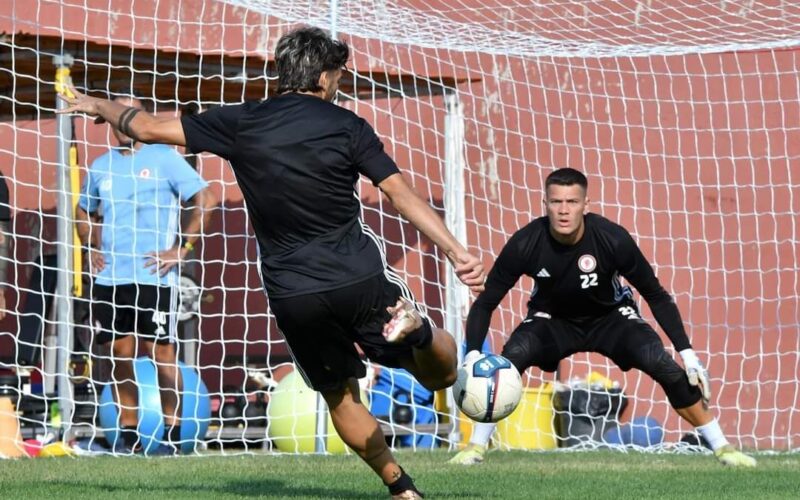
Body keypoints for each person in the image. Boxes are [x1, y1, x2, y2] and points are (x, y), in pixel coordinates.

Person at [59, 27, 484, 498]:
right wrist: (455, 250)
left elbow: (143, 127)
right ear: (323, 76)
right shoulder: (347, 125)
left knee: (339, 393)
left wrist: (101, 105)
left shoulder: (243, 121)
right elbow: (399, 195)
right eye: (338, 72)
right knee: (441, 373)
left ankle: (401, 488)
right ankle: (418, 330)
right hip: (357, 277)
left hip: (294, 293)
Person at [449, 168, 756, 468]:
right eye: (556, 202)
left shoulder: (613, 239)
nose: (564, 211)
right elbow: (486, 301)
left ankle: (723, 448)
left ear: (586, 205)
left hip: (611, 318)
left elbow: (656, 294)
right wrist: (473, 352)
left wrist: (688, 354)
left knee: (661, 362)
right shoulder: (525, 243)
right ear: (546, 205)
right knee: (511, 357)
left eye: (572, 202)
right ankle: (475, 447)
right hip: (552, 321)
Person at [74, 95, 216, 454]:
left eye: (130, 114)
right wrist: (92, 245)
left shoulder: (165, 158)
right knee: (120, 354)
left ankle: (172, 435)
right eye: (117, 114)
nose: (123, 122)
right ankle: (129, 435)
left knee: (162, 355)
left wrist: (181, 249)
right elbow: (82, 210)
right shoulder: (101, 166)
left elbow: (207, 198)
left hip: (155, 277)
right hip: (111, 280)